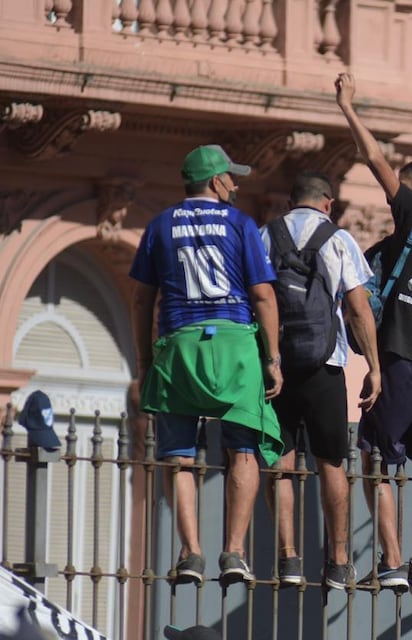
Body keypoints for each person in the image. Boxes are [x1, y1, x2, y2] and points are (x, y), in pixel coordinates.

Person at [130, 144, 283, 586]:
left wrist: (144, 359)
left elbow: (143, 298)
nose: (235, 185)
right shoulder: (240, 224)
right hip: (234, 344)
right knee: (243, 449)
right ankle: (233, 552)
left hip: (179, 346)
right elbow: (263, 295)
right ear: (216, 181)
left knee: (177, 454)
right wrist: (272, 359)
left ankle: (190, 551)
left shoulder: (160, 225)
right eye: (231, 178)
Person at [336, 72, 412, 598]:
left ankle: (390, 561)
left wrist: (348, 109)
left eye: (404, 191)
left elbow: (375, 163)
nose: (395, 197)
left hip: (401, 361)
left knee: (375, 459)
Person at [259, 171, 381, 590]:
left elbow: (256, 298)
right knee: (331, 462)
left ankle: (288, 558)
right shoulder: (337, 238)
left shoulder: (265, 235)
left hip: (276, 367)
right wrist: (374, 368)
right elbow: (358, 308)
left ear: (291, 202)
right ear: (327, 201)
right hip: (325, 365)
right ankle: (338, 560)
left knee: (282, 461)